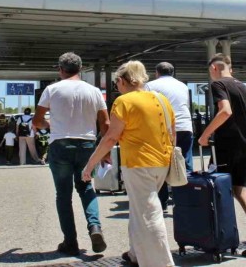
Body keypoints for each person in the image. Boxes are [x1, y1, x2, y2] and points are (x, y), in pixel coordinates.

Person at [82, 60, 176, 266]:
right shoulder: (162, 99)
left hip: (138, 163)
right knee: (139, 209)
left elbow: (110, 138)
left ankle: (161, 263)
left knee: (149, 214)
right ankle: (136, 253)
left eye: (116, 81)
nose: (116, 85)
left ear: (123, 81)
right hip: (162, 162)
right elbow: (172, 134)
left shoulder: (124, 102)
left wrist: (91, 164)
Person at [33, 52, 110, 256]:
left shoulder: (52, 89)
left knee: (63, 195)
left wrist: (49, 124)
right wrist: (104, 150)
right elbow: (106, 124)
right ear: (81, 69)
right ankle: (95, 227)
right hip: (87, 145)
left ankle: (70, 242)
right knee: (86, 187)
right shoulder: (94, 92)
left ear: (60, 69)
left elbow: (36, 121)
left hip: (60, 145)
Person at [198, 54, 246, 257]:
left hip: (225, 147)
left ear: (214, 68)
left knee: (219, 190)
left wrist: (205, 135)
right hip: (243, 146)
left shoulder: (218, 85)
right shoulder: (243, 87)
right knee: (240, 190)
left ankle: (220, 239)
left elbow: (225, 111)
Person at [145, 61, 193, 212]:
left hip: (164, 128)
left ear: (157, 72)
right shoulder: (183, 86)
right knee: (184, 162)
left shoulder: (151, 86)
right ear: (173, 72)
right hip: (185, 126)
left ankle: (163, 202)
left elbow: (148, 109)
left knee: (162, 163)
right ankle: (186, 199)